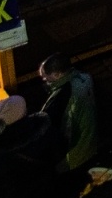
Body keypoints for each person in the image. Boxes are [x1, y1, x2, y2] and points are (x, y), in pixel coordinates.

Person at [38, 52, 98, 186]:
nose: (44, 79)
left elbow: (58, 129)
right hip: (91, 143)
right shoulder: (84, 78)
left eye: (45, 77)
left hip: (75, 155)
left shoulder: (63, 95)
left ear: (57, 75)